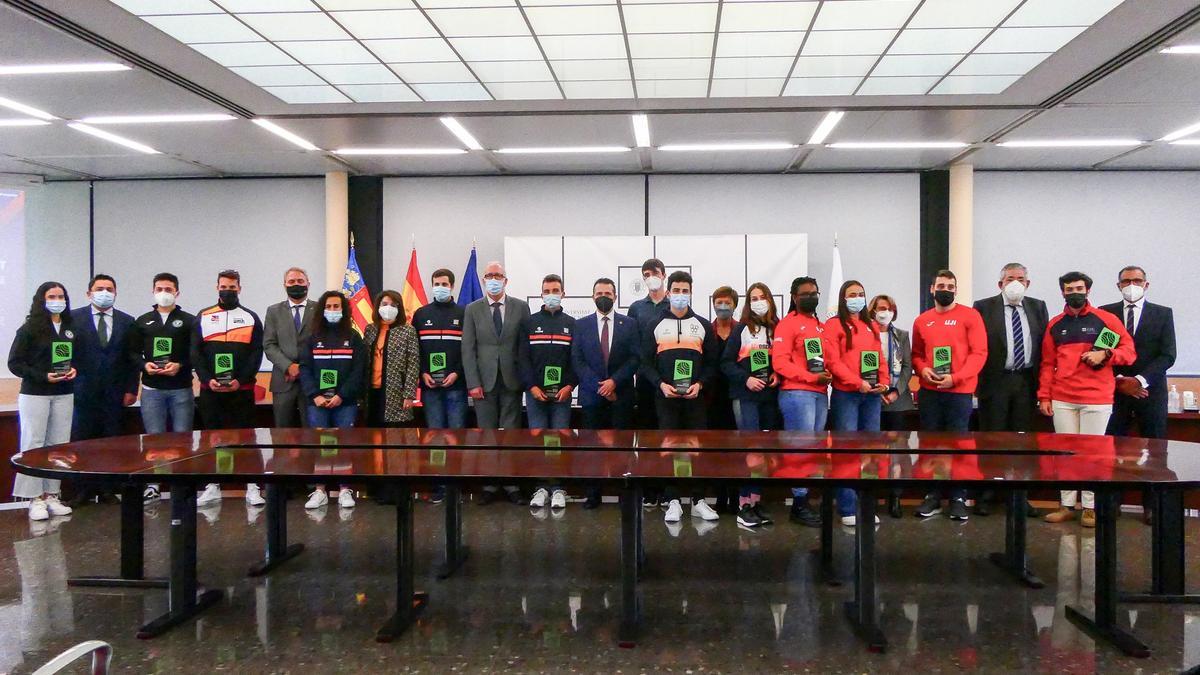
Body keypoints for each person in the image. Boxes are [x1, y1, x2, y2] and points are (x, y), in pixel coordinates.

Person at [1038, 271, 1135, 528]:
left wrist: (1105, 354)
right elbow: (1047, 364)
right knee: (1065, 454)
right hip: (1062, 399)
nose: (1074, 293)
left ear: (1088, 290)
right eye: (1069, 289)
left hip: (1097, 399)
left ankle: (1090, 508)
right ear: (1063, 293)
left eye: (1079, 288)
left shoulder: (1107, 320)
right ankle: (1067, 505)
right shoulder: (1055, 324)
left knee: (1093, 454)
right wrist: (1044, 396)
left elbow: (1129, 352)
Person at [639, 270, 719, 524]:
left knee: (697, 448)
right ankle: (672, 500)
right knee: (669, 447)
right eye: (677, 290)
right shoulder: (655, 324)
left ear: (691, 293)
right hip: (666, 398)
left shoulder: (703, 325)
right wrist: (660, 384)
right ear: (669, 291)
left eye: (686, 291)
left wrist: (701, 384)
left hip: (696, 398)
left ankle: (697, 500)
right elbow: (644, 363)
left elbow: (712, 364)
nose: (681, 295)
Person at [972, 263, 1049, 517]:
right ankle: (987, 493)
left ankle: (1018, 495)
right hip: (995, 381)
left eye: (1020, 278)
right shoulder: (983, 307)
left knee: (1022, 441)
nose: (1015, 282)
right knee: (991, 440)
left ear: (1028, 283)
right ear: (1000, 284)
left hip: (1026, 382)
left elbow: (1044, 347)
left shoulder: (1038, 307)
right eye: (1010, 278)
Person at [911, 270, 987, 521]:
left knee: (959, 445)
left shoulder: (970, 316)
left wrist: (956, 378)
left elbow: (979, 354)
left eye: (950, 285)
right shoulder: (922, 320)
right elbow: (917, 355)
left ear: (956, 289)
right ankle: (932, 495)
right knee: (931, 444)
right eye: (941, 285)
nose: (946, 289)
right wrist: (923, 370)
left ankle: (958, 496)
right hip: (930, 392)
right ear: (932, 289)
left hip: (959, 392)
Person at [191, 270, 265, 508]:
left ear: (240, 289)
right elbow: (195, 352)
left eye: (232, 287)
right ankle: (214, 485)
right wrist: (206, 378)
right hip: (210, 390)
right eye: (224, 287)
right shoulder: (203, 316)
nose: (228, 291)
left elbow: (256, 354)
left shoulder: (250, 317)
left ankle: (252, 486)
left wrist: (241, 379)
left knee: (246, 438)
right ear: (217, 288)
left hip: (241, 390)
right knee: (214, 438)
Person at [461, 260, 530, 505]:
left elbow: (525, 347)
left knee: (511, 436)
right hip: (483, 383)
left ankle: (511, 484)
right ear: (483, 280)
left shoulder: (521, 308)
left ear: (505, 280)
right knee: (488, 436)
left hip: (512, 381)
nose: (493, 279)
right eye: (489, 275)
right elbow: (467, 349)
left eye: (497, 275)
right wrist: (472, 383)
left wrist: (525, 378)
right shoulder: (472, 309)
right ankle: (490, 484)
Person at [68, 274, 140, 505]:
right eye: (99, 288)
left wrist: (131, 389)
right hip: (81, 391)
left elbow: (132, 359)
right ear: (89, 293)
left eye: (109, 289)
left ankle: (108, 489)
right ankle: (83, 490)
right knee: (82, 441)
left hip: (115, 392)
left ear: (116, 293)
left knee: (111, 441)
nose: (105, 293)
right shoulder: (72, 319)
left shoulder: (127, 321)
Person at [8, 282, 77, 521]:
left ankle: (51, 494)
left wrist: (73, 370)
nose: (57, 299)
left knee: (58, 445)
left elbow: (75, 357)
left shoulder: (70, 327)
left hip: (64, 392)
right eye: (52, 296)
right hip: (35, 393)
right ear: (42, 299)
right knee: (34, 444)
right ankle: (33, 499)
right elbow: (14, 363)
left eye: (61, 296)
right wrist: (42, 375)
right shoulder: (29, 329)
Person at [824, 280, 889, 527]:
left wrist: (884, 381)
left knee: (871, 451)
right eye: (852, 294)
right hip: (847, 395)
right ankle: (847, 506)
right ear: (843, 298)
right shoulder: (833, 325)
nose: (857, 298)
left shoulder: (871, 325)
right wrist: (856, 382)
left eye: (861, 294)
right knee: (846, 453)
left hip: (872, 396)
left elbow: (879, 358)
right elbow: (833, 361)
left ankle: (866, 505)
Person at [127, 272, 196, 503]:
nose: (164, 293)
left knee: (182, 438)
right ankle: (153, 485)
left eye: (168, 289)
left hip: (181, 388)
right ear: (153, 291)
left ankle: (182, 486)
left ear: (177, 292)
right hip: (152, 389)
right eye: (160, 289)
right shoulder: (143, 321)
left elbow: (195, 353)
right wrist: (144, 365)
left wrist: (181, 365)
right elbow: (133, 353)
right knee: (155, 439)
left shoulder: (188, 320)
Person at [572, 277, 640, 508]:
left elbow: (634, 359)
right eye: (599, 293)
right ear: (592, 297)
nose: (603, 297)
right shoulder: (580, 325)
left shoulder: (629, 324)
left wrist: (614, 382)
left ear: (615, 297)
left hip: (621, 395)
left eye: (608, 294)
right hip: (592, 396)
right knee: (592, 447)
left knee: (622, 447)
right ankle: (593, 495)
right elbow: (577, 361)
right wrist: (600, 386)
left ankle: (624, 494)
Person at [299, 291, 368, 510]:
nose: (333, 310)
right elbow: (305, 369)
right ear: (322, 310)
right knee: (321, 444)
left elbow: (359, 371)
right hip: (317, 403)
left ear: (344, 309)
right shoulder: (312, 338)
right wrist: (315, 395)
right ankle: (320, 490)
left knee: (344, 444)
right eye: (329, 306)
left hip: (344, 403)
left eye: (337, 306)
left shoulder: (354, 337)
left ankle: (344, 489)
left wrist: (342, 395)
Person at [770, 276, 830, 527]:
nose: (810, 297)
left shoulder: (821, 326)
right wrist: (810, 377)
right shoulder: (787, 324)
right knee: (799, 450)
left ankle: (806, 499)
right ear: (794, 298)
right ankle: (799, 502)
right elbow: (780, 363)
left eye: (814, 293)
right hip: (797, 394)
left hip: (818, 394)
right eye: (805, 294)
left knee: (813, 450)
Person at [721, 282, 779, 528]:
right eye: (753, 298)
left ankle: (755, 502)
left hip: (769, 398)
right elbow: (726, 363)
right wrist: (746, 379)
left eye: (762, 297)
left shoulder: (777, 328)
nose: (758, 301)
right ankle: (744, 506)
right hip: (745, 397)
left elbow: (782, 360)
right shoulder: (742, 328)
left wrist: (778, 375)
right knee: (750, 450)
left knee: (763, 451)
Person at [518, 274, 577, 512]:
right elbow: (522, 359)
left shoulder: (572, 323)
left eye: (555, 290)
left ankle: (558, 488)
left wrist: (569, 386)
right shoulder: (529, 323)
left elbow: (576, 360)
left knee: (559, 442)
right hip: (536, 396)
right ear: (541, 293)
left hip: (562, 396)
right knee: (538, 442)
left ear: (563, 293)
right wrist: (531, 386)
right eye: (547, 290)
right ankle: (541, 488)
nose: (551, 294)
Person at [1102, 266, 1176, 440]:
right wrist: (1120, 381)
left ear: (1146, 284)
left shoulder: (1162, 314)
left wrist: (1139, 381)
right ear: (1118, 285)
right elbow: (1105, 351)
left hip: (1151, 391)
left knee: (1155, 448)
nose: (1131, 285)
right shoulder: (1107, 313)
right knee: (1111, 448)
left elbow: (1168, 355)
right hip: (1116, 392)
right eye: (1126, 281)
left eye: (1137, 281)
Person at [870, 294, 913, 518]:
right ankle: (871, 496)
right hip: (872, 401)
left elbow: (907, 366)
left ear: (893, 311)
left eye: (887, 308)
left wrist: (897, 391)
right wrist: (877, 393)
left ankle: (895, 497)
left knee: (898, 451)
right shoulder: (866, 334)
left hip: (898, 401)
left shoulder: (902, 336)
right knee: (872, 450)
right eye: (879, 308)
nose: (883, 312)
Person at [412, 269, 467, 430]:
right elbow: (416, 350)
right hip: (430, 386)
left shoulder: (464, 313)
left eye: (444, 284)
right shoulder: (421, 314)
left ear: (452, 286)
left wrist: (457, 373)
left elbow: (469, 350)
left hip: (456, 385)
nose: (440, 287)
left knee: (456, 436)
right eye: (437, 284)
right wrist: (423, 372)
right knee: (434, 436)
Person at [263, 267, 316, 429]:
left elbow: (323, 343)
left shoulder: (319, 309)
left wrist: (303, 368)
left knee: (311, 432)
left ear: (308, 283)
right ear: (284, 285)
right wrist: (289, 366)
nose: (296, 284)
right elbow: (269, 344)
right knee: (283, 431)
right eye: (291, 281)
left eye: (300, 281)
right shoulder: (273, 311)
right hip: (283, 379)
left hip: (311, 380)